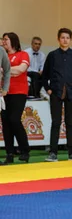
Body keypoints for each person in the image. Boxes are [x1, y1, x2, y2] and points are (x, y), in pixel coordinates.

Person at [41, 28, 72, 162]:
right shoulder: (52, 55)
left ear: (70, 40)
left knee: (70, 122)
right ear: (58, 39)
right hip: (56, 92)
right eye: (62, 37)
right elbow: (44, 75)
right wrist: (48, 89)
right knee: (55, 122)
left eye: (67, 38)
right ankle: (53, 153)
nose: (65, 40)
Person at [1, 33, 30, 165]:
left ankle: (25, 150)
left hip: (19, 92)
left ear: (13, 41)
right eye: (3, 40)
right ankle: (9, 154)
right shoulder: (3, 55)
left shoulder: (22, 54)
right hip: (4, 93)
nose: (3, 42)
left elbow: (21, 69)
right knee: (5, 123)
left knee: (14, 119)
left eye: (6, 39)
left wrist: (5, 70)